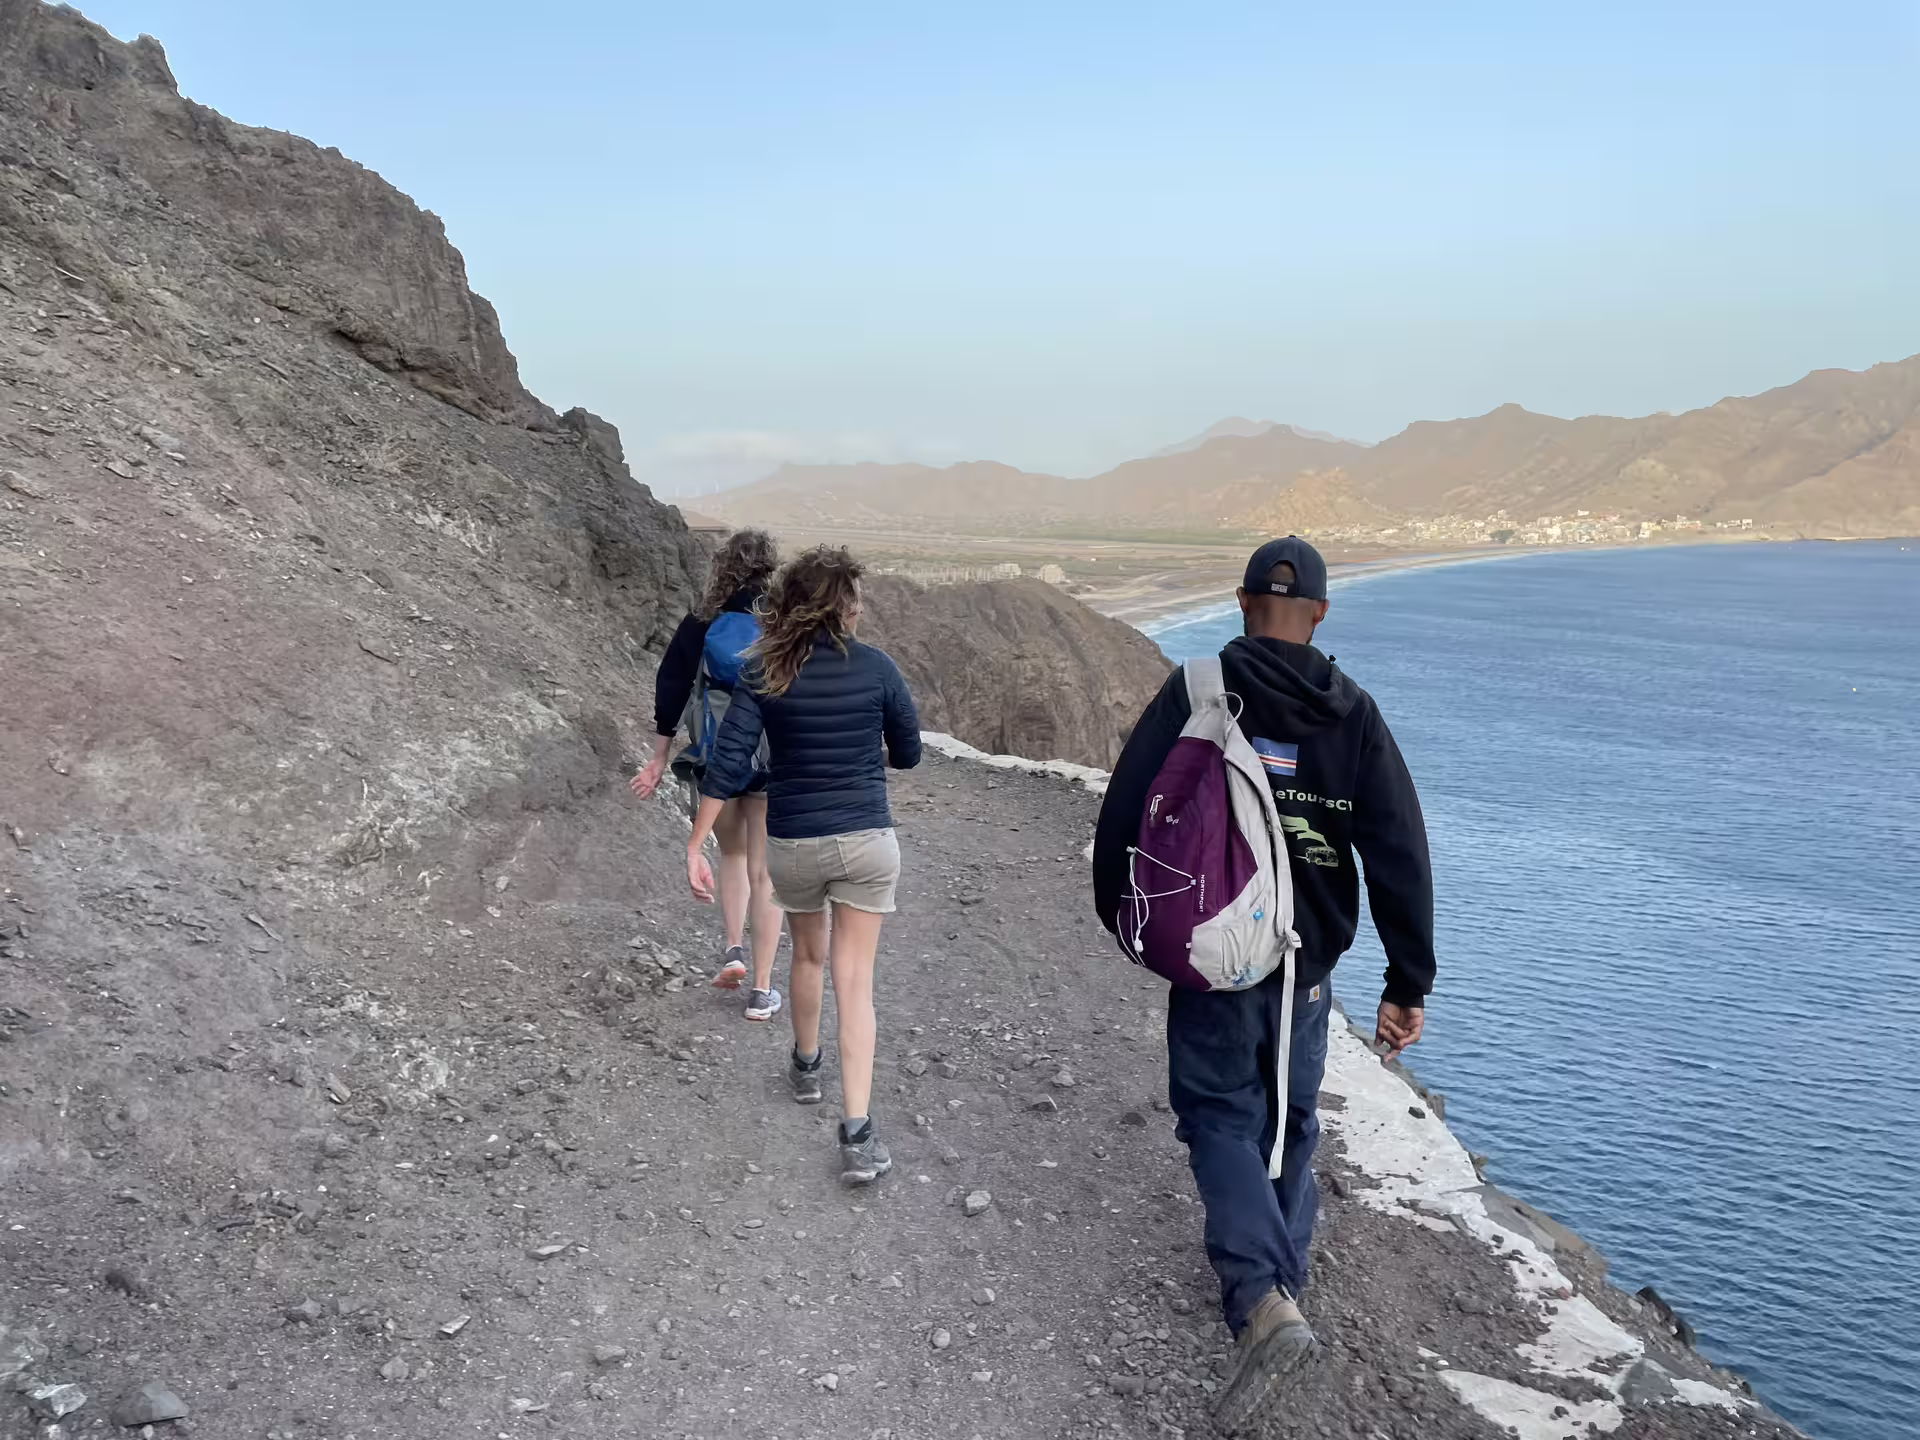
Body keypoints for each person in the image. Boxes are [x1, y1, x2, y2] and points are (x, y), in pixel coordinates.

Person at [1092, 535, 1436, 1433]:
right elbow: (1399, 849)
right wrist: (1409, 979)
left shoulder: (1199, 690)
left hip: (1211, 953)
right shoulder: (1351, 711)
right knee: (1289, 1117)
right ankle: (1285, 1275)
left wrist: (1125, 921)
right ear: (1320, 612)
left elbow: (1125, 813)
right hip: (1306, 964)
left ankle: (1260, 1300)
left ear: (1244, 602)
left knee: (1217, 1114)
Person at [685, 546, 921, 1185]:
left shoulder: (765, 673)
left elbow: (729, 764)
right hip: (867, 840)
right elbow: (908, 754)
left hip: (794, 842)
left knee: (809, 957)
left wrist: (698, 841)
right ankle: (858, 1133)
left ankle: (806, 1065)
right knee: (856, 979)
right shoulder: (878, 668)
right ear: (844, 606)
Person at [631, 528, 787, 1021]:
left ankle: (733, 949)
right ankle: (762, 991)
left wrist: (659, 757)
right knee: (767, 871)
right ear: (770, 568)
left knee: (733, 854)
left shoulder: (702, 620)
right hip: (772, 755)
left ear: (723, 567)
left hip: (717, 753)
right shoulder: (785, 621)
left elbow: (671, 686)